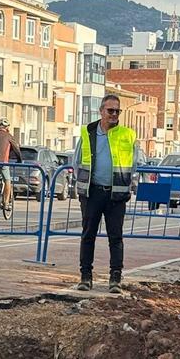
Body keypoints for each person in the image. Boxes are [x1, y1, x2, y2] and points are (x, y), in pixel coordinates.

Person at [71, 94, 141, 294]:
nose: (114, 114)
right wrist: (84, 184)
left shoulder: (128, 135)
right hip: (92, 193)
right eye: (110, 110)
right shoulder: (88, 133)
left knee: (115, 237)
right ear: (101, 111)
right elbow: (77, 162)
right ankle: (85, 277)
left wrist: (124, 183)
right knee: (88, 235)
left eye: (117, 111)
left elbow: (134, 164)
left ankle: (115, 279)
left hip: (116, 195)